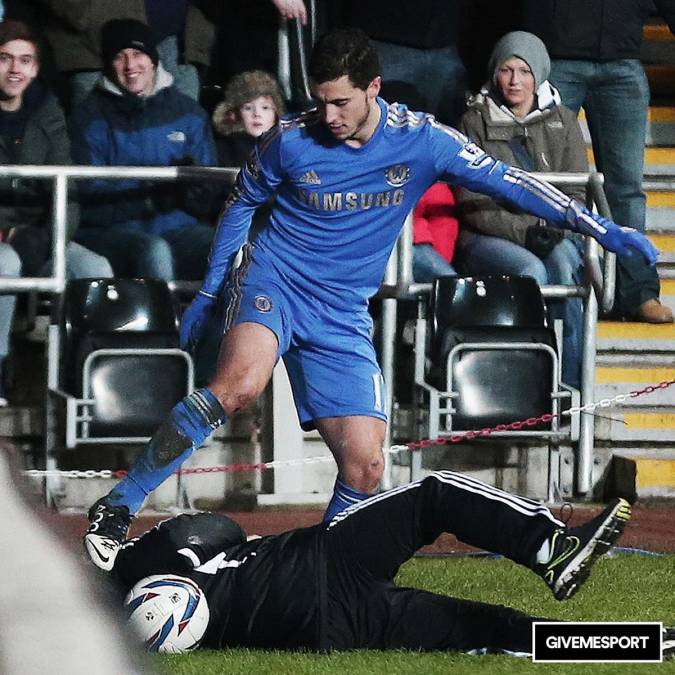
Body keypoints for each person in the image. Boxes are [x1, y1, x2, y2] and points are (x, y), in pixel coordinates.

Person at [83, 27, 658, 571]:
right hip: (274, 282)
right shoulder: (289, 141)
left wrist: (598, 227)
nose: (327, 117)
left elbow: (509, 181)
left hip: (341, 310)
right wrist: (211, 291)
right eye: (320, 101)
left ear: (374, 88)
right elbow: (240, 203)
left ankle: (323, 573)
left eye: (340, 103)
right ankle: (117, 507)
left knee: (366, 464)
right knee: (238, 386)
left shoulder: (423, 140)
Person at [109, 476, 634, 652]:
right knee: (435, 496)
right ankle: (552, 548)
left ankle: (638, 646)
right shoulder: (154, 565)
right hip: (321, 562)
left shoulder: (179, 631)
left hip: (328, 630)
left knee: (479, 628)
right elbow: (210, 528)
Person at [521, 0, 675, 324]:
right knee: (546, 183)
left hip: (622, 64)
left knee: (626, 192)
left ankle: (638, 294)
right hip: (556, 61)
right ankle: (554, 286)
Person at [455, 31, 586, 389]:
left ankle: (570, 390)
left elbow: (576, 189)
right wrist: (525, 231)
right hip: (488, 236)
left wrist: (553, 229)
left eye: (524, 72)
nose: (515, 81)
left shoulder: (564, 121)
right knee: (531, 272)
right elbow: (471, 201)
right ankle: (528, 387)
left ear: (539, 75)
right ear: (494, 73)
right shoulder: (473, 121)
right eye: (506, 70)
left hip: (550, 232)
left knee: (564, 266)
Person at [0, 20, 113, 406]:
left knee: (95, 269)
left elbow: (68, 191)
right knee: (5, 265)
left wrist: (50, 237)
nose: (15, 69)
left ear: (35, 68)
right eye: (4, 58)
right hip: (3, 239)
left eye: (25, 60)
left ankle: (85, 384)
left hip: (41, 233)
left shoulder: (47, 110)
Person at [69, 18, 219, 281]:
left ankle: (232, 322)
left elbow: (210, 193)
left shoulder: (188, 114)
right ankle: (163, 323)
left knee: (231, 247)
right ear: (108, 64)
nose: (130, 66)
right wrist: (150, 199)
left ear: (153, 59)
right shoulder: (89, 118)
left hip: (179, 228)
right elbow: (88, 201)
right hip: (113, 233)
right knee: (154, 251)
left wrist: (194, 191)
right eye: (119, 57)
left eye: (138, 54)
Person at [34, 0, 221, 107]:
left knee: (183, 154)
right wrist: (89, 12)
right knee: (99, 155)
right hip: (96, 49)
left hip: (178, 45)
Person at [412, 182, 458, 282]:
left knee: (448, 285)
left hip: (414, 243)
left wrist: (440, 259)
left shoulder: (425, 172)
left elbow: (443, 223)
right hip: (375, 243)